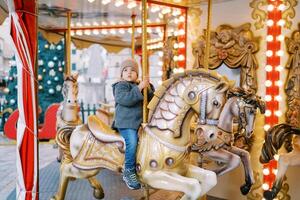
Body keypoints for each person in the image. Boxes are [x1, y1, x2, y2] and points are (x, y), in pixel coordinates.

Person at [112, 58, 154, 190]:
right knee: (132, 142)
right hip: (126, 122)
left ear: (137, 74)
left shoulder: (138, 85)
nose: (129, 72)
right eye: (125, 70)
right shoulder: (120, 86)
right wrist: (140, 87)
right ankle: (129, 170)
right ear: (121, 74)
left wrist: (148, 87)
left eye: (132, 70)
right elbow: (125, 99)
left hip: (140, 123)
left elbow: (151, 99)